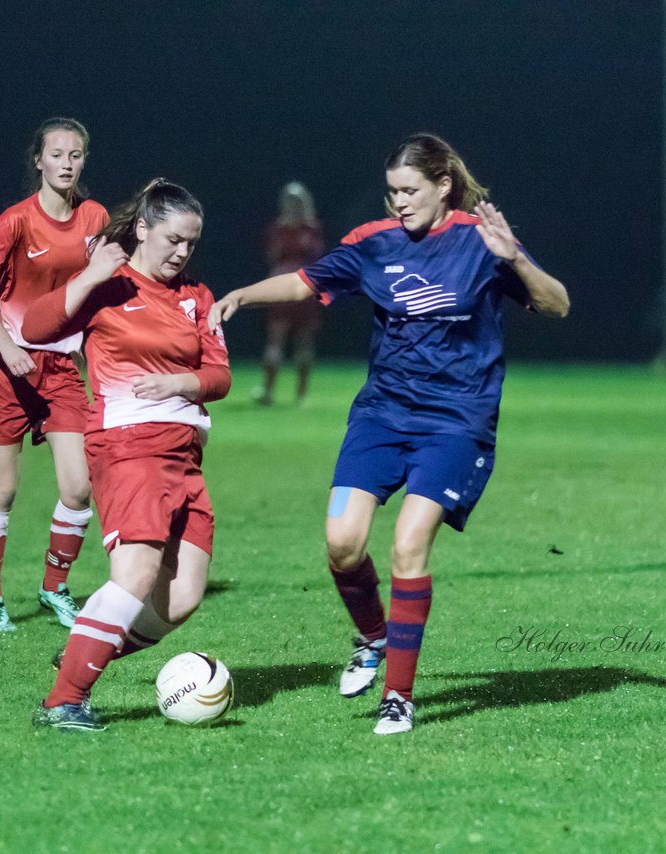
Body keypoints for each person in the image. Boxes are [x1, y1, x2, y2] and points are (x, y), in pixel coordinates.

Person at [209, 133, 569, 735]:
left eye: (410, 191)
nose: (398, 202)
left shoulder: (480, 244)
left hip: (456, 421)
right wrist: (242, 296)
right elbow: (304, 282)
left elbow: (557, 305)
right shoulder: (372, 244)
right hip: (382, 415)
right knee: (342, 543)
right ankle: (373, 638)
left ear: (442, 187)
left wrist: (516, 259)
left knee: (407, 544)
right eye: (392, 192)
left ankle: (399, 697)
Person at [21, 179, 230, 732]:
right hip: (128, 449)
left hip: (185, 458)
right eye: (173, 239)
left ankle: (84, 651)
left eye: (192, 242)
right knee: (135, 574)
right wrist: (89, 275)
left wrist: (181, 382)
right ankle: (62, 702)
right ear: (142, 229)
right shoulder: (108, 285)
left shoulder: (197, 297)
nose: (183, 252)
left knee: (182, 597)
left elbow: (220, 376)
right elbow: (35, 327)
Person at [0, 117, 107, 632]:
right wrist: (7, 346)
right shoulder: (15, 223)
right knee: (2, 491)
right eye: (57, 154)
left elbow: (98, 293)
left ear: (84, 161)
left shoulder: (94, 218)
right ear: (39, 161)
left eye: (75, 155)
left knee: (79, 487)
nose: (66, 163)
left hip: (61, 369)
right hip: (6, 369)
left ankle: (54, 588)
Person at [256, 182, 325, 406]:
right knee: (301, 342)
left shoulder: (282, 228)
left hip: (284, 284)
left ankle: (269, 392)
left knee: (278, 339)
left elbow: (273, 256)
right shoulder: (310, 228)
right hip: (304, 284)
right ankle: (300, 395)